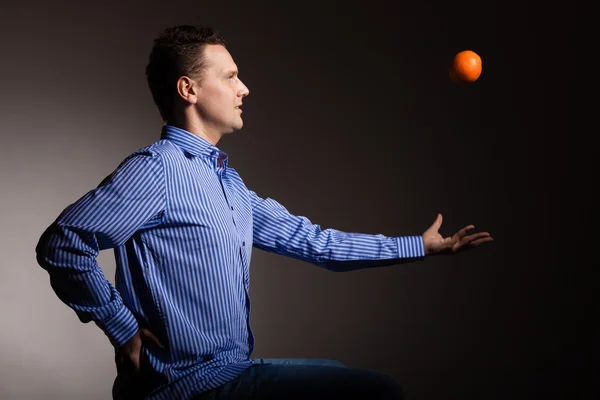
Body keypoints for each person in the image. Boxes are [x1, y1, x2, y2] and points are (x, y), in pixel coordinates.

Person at [35, 25, 493, 400]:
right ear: (188, 88)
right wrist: (123, 328)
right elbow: (63, 243)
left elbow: (314, 242)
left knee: (339, 373)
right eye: (231, 76)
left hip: (232, 371)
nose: (244, 88)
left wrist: (421, 246)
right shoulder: (156, 171)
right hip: (189, 389)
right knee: (377, 392)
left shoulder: (227, 184)